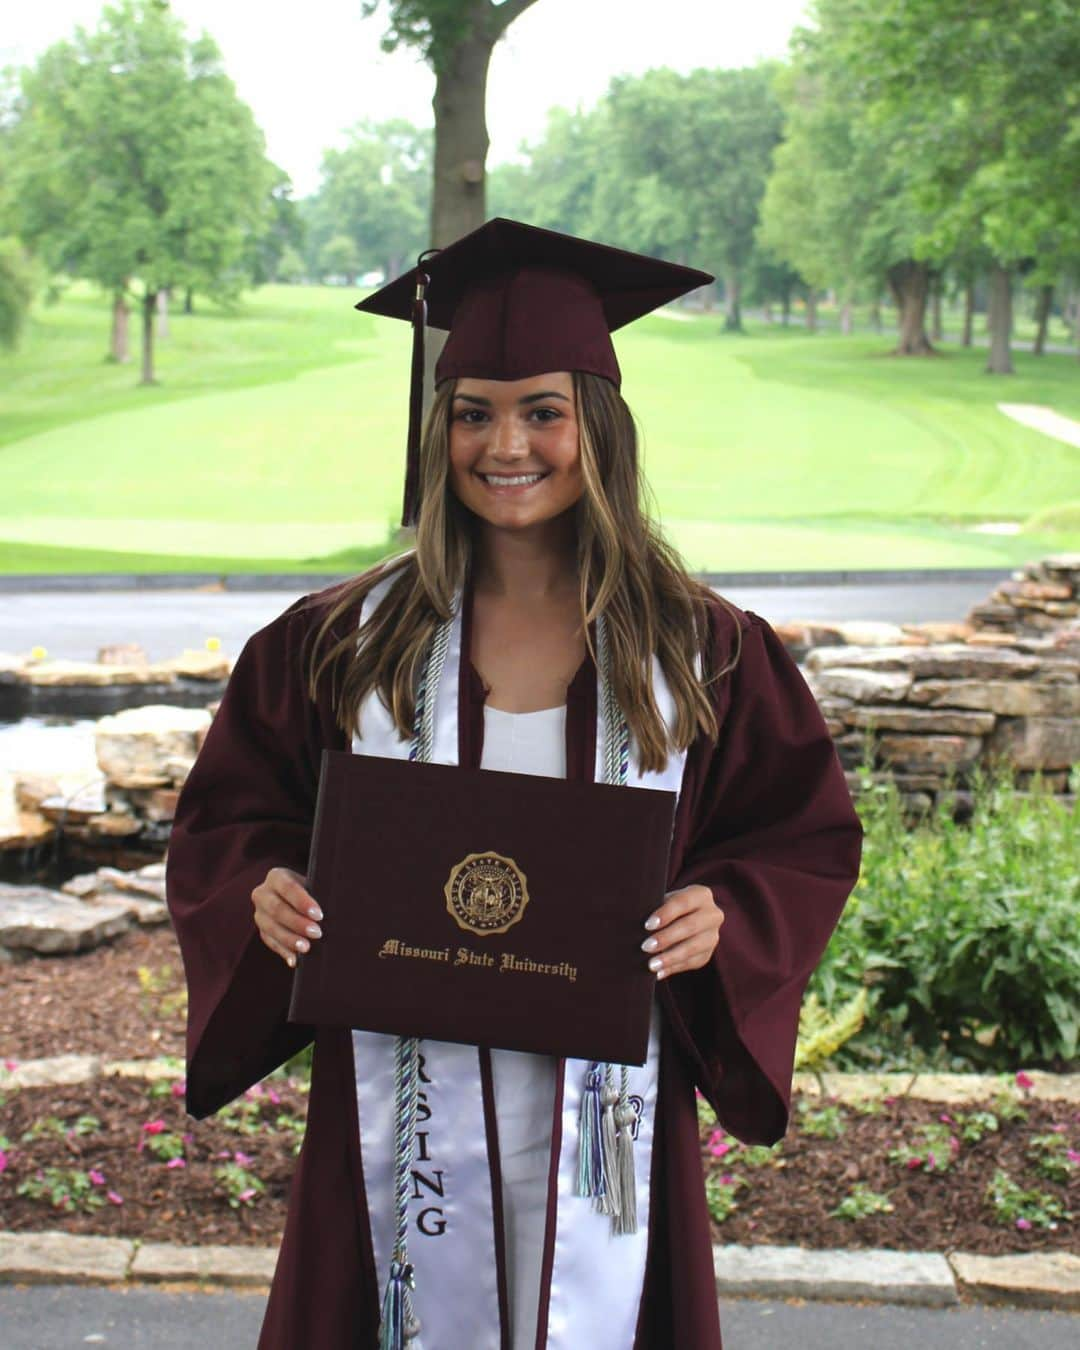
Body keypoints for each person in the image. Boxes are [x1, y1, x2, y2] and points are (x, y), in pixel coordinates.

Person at [166, 219, 864, 1350]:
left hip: (606, 1118)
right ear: (437, 427)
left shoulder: (703, 649)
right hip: (399, 1116)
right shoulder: (338, 644)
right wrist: (267, 888)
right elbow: (230, 825)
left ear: (599, 424)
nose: (507, 444)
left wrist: (723, 915)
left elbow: (802, 837)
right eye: (472, 411)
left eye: (543, 409)